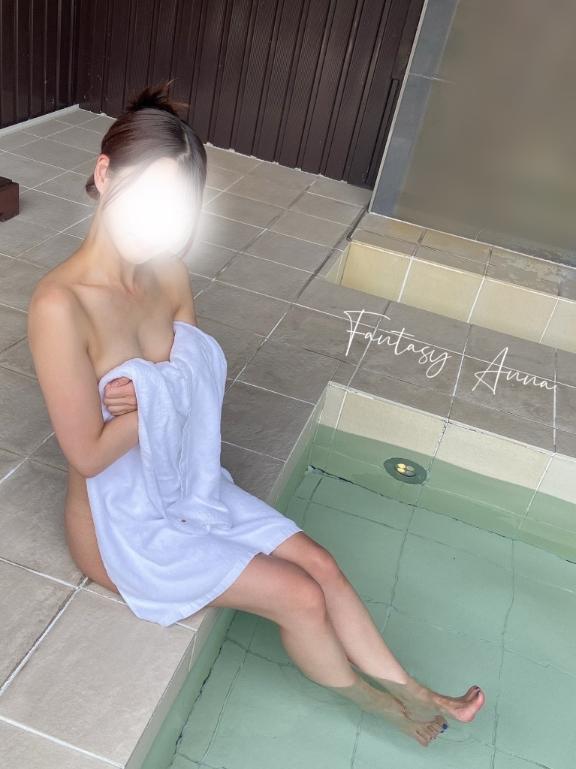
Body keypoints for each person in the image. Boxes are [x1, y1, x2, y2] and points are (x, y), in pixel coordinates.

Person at [27, 81, 484, 748]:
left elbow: (197, 379)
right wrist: (153, 399)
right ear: (105, 174)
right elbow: (89, 454)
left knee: (320, 563)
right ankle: (389, 710)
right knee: (299, 594)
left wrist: (158, 390)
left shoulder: (168, 272)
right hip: (118, 528)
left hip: (183, 485)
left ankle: (416, 688)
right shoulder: (60, 305)